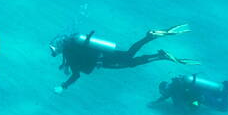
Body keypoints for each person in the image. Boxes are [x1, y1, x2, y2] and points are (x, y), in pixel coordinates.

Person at [50, 26, 196, 93]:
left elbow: (76, 75)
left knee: (130, 61)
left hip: (104, 61)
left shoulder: (69, 53)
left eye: (53, 50)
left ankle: (155, 47)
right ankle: (152, 41)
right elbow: (73, 63)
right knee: (128, 56)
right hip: (103, 55)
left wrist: (63, 86)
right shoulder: (71, 47)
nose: (53, 52)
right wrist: (66, 66)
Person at [152, 70, 228, 114]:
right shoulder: (177, 86)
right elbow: (165, 97)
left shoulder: (175, 94)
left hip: (203, 96)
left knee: (223, 107)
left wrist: (196, 103)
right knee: (223, 89)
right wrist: (157, 102)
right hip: (204, 89)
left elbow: (189, 110)